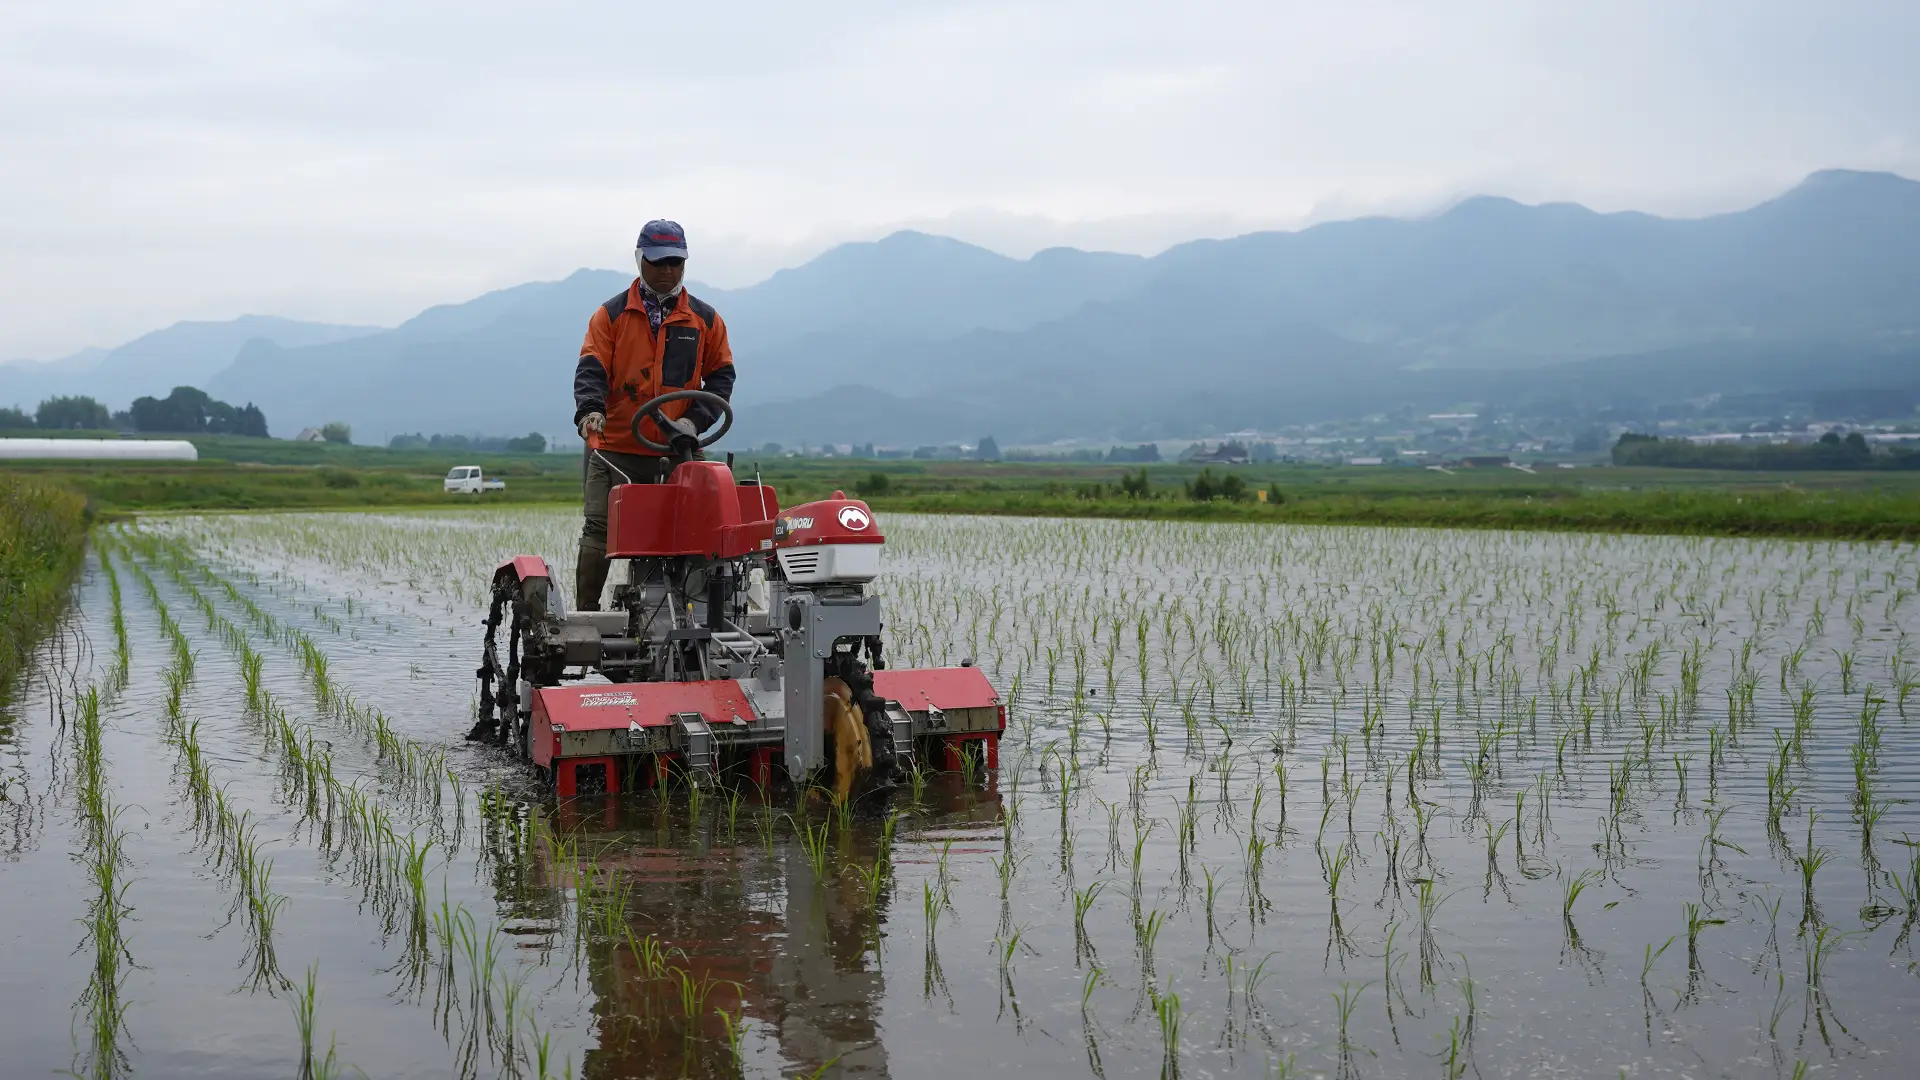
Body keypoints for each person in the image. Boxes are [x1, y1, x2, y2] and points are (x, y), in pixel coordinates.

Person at [572, 220, 736, 610]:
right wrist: (591, 410)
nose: (666, 271)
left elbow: (721, 378)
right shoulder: (611, 315)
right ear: (640, 260)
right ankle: (586, 618)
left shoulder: (705, 320)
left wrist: (692, 423)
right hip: (616, 447)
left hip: (678, 447)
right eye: (658, 262)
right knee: (599, 529)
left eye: (675, 263)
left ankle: (696, 615)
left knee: (702, 532)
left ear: (684, 264)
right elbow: (592, 367)